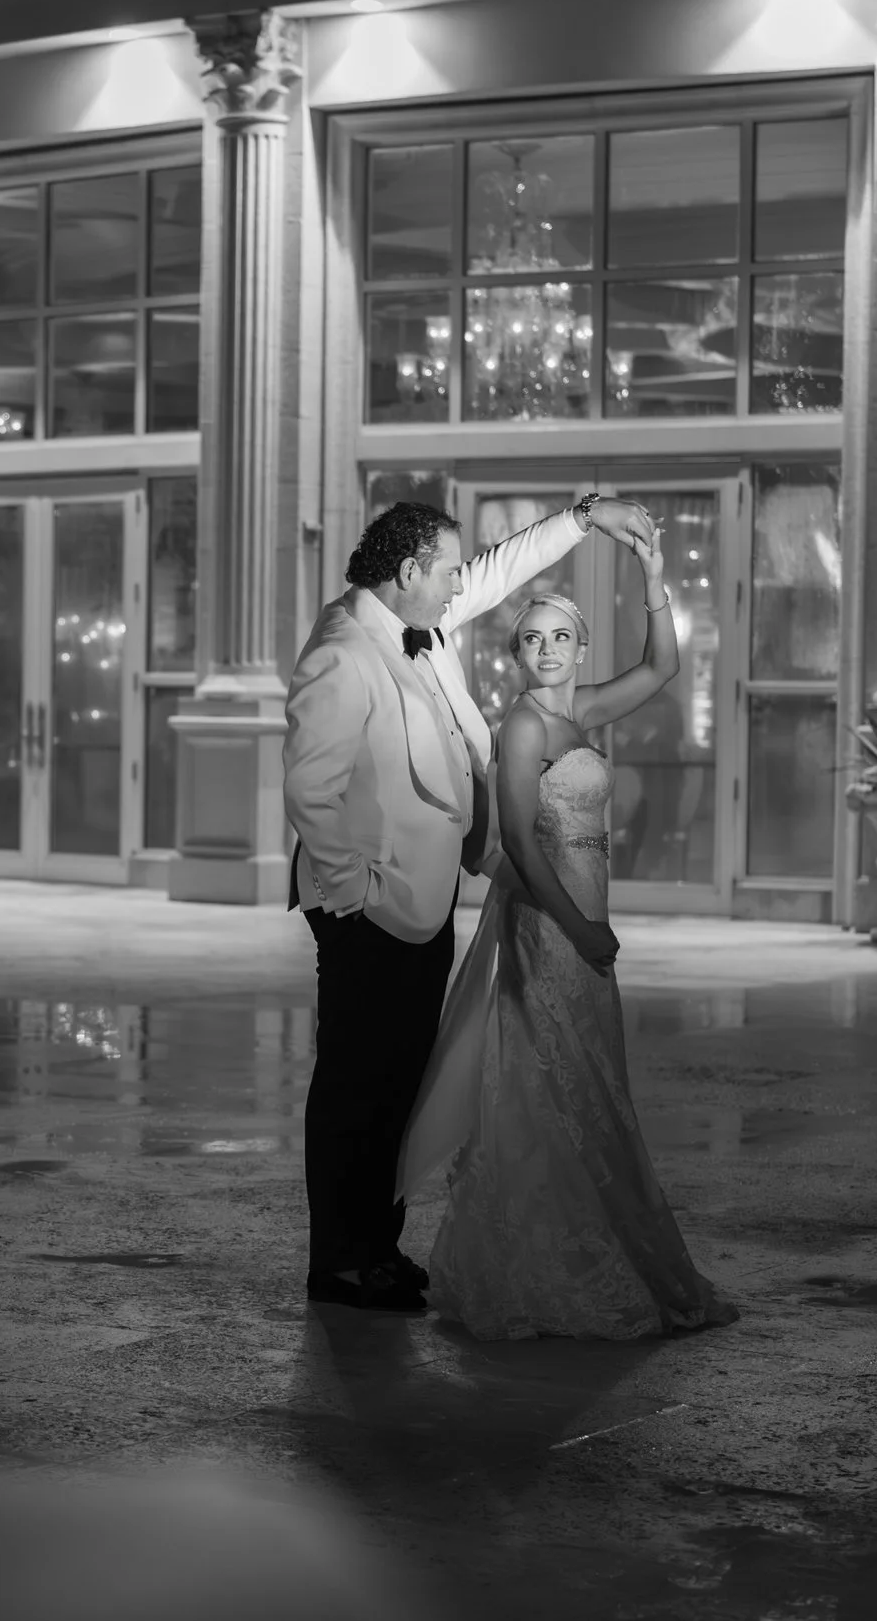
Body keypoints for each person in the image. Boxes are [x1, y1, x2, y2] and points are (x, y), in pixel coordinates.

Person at [282, 490, 655, 1313]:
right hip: (368, 908)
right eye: (448, 570)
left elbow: (499, 568)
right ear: (408, 569)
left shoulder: (424, 619)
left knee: (400, 1079)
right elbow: (310, 793)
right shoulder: (343, 651)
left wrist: (583, 518)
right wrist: (358, 896)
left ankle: (379, 1247)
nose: (462, 583)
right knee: (355, 1083)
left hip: (425, 897)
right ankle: (339, 1262)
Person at [398, 532, 740, 1341]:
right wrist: (580, 928)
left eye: (560, 637)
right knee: (551, 1086)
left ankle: (604, 1247)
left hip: (587, 923)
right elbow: (518, 841)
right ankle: (543, 1269)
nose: (547, 650)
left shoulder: (580, 711)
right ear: (516, 653)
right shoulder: (523, 727)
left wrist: (653, 574)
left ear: (581, 647)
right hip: (550, 926)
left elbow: (662, 667)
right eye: (531, 639)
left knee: (593, 1088)